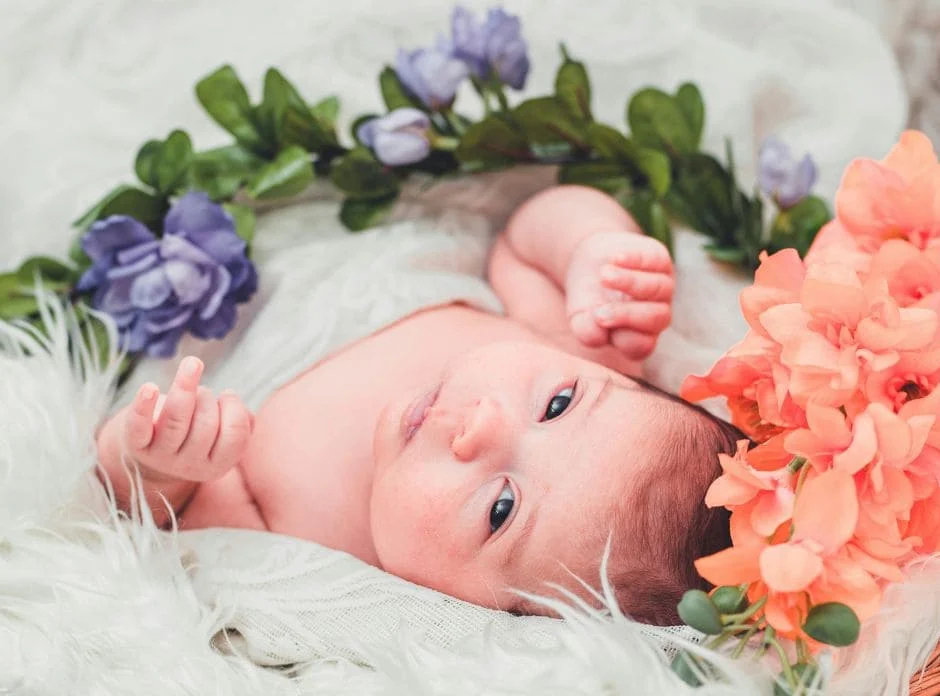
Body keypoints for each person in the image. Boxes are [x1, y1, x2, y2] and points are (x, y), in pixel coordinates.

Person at [96, 185, 738, 624]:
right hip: (313, 210)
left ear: (472, 611)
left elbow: (152, 514)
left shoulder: (312, 544)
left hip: (191, 301)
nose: (482, 425)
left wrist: (159, 460)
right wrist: (594, 246)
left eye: (502, 508)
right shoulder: (571, 342)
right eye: (559, 405)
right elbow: (522, 236)